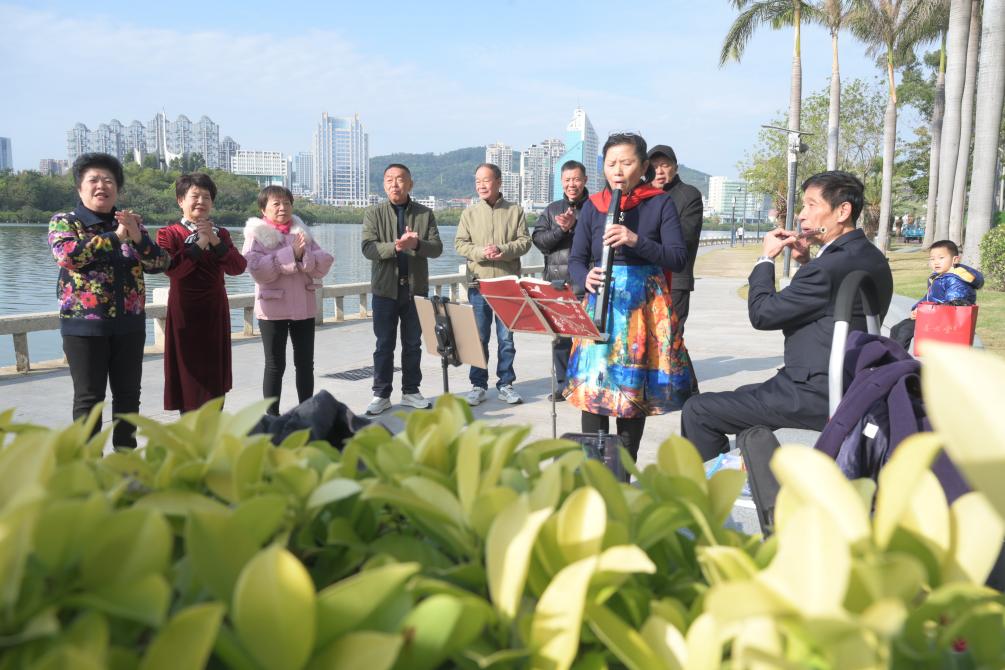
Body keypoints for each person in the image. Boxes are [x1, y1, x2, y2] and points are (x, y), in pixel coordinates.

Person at [681, 171, 893, 460]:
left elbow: (763, 314)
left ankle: (711, 486)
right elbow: (826, 302)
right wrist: (805, 261)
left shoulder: (827, 268)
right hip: (850, 383)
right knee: (743, 394)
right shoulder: (868, 255)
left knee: (698, 410)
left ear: (843, 211)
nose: (801, 215)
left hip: (816, 392)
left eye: (811, 205)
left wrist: (765, 259)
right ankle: (754, 473)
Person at [566, 133, 694, 464]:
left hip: (641, 308)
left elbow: (678, 257)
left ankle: (624, 470)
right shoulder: (594, 206)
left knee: (630, 394)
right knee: (593, 391)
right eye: (611, 163)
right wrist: (584, 278)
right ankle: (594, 470)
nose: (618, 170)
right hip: (600, 304)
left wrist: (636, 240)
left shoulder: (660, 203)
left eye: (626, 162)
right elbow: (577, 259)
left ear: (643, 165)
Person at [48, 152, 169, 448]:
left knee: (128, 397)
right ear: (79, 187)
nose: (101, 185)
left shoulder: (131, 224)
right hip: (84, 327)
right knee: (89, 399)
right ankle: (88, 466)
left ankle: (126, 462)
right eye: (93, 180)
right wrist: (116, 236)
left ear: (117, 188)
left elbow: (160, 264)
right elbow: (69, 256)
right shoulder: (65, 222)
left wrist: (138, 238)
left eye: (109, 180)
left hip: (130, 325)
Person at [157, 173, 247, 413]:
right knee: (188, 376)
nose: (201, 201)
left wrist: (214, 240)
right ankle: (189, 429)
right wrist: (199, 243)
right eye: (194, 196)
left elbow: (238, 267)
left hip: (215, 312)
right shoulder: (168, 233)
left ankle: (214, 428)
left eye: (206, 197)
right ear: (180, 201)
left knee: (214, 376)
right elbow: (173, 270)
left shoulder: (222, 234)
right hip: (184, 313)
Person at [243, 186, 334, 416]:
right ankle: (272, 418)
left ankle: (307, 414)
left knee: (305, 364)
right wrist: (291, 253)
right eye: (276, 203)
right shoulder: (256, 235)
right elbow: (257, 270)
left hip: (304, 306)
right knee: (275, 365)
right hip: (272, 308)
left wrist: (303, 255)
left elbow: (323, 263)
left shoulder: (301, 232)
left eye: (287, 203)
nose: (283, 208)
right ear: (263, 209)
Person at [361, 163, 444, 415]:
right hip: (385, 291)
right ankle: (381, 394)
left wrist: (416, 243)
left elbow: (437, 248)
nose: (394, 184)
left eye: (399, 179)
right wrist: (396, 247)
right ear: (384, 184)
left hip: (415, 290)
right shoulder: (373, 213)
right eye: (389, 179)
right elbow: (368, 248)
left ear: (410, 184)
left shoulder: (424, 214)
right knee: (384, 345)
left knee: (412, 344)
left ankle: (410, 391)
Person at [454, 163, 531, 406]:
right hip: (479, 285)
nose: (481, 185)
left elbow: (525, 242)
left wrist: (503, 250)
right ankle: (478, 385)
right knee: (479, 337)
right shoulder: (469, 214)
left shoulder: (515, 211)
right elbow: (460, 244)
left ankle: (506, 384)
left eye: (486, 180)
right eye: (477, 181)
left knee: (506, 339)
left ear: (498, 182)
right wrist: (481, 252)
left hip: (507, 285)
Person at [532, 160, 590, 401]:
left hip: (585, 283)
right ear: (561, 182)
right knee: (560, 340)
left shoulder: (595, 208)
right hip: (557, 284)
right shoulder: (552, 209)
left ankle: (587, 383)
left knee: (587, 338)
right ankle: (563, 385)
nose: (571, 184)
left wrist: (574, 227)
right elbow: (539, 241)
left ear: (585, 180)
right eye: (567, 180)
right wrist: (561, 230)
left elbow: (599, 242)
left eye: (576, 179)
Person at [889, 239, 984, 351]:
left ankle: (899, 359)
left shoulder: (955, 280)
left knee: (904, 331)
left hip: (946, 322)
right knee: (896, 329)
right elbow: (928, 297)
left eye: (941, 258)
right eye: (932, 259)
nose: (936, 262)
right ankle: (893, 358)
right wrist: (917, 309)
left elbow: (954, 305)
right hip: (933, 316)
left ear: (955, 259)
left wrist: (923, 312)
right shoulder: (938, 277)